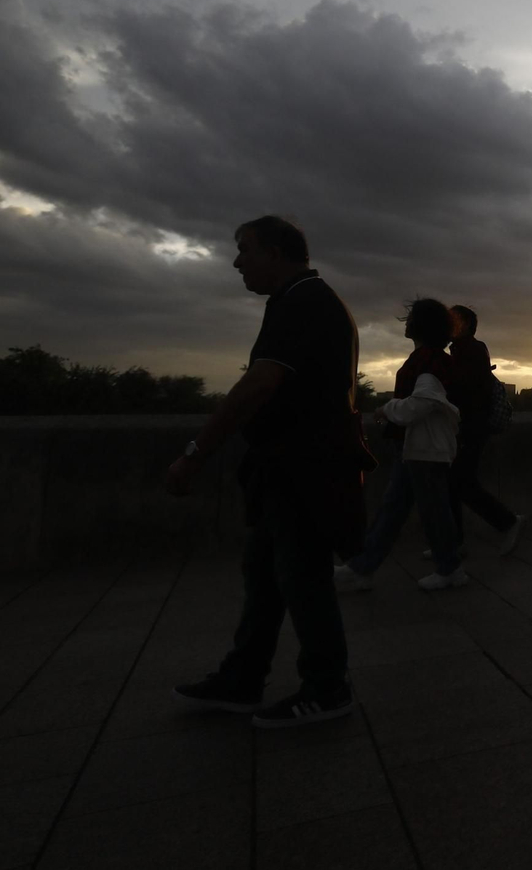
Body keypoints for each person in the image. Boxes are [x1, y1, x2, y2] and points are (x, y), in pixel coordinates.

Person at [168, 215, 370, 728]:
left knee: (302, 577)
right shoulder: (301, 299)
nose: (237, 261)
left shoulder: (303, 302)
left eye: (245, 250)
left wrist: (196, 452)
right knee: (267, 574)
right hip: (295, 465)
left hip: (304, 467)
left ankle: (327, 687)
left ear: (277, 253)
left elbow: (260, 384)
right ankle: (244, 677)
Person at [334, 299, 466, 591]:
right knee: (398, 510)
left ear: (419, 326)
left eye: (410, 319)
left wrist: (387, 409)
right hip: (418, 449)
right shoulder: (434, 359)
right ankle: (361, 568)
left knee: (426, 511)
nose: (405, 324)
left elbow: (422, 404)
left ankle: (449, 568)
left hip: (422, 449)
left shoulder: (427, 361)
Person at [441, 304, 524, 556]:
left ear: (464, 325)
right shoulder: (465, 349)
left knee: (460, 482)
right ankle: (453, 540)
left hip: (470, 427)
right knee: (454, 482)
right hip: (468, 426)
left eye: (452, 320)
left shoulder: (470, 350)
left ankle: (507, 522)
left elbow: (466, 391)